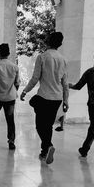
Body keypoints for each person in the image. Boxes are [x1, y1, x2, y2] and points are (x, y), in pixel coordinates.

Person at [20, 32, 69, 164]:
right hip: (57, 98)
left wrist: (25, 90)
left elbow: (35, 78)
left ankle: (48, 146)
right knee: (48, 125)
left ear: (48, 41)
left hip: (44, 96)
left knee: (40, 126)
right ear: (60, 44)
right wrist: (66, 101)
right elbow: (65, 83)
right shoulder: (63, 59)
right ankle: (44, 151)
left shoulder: (42, 57)